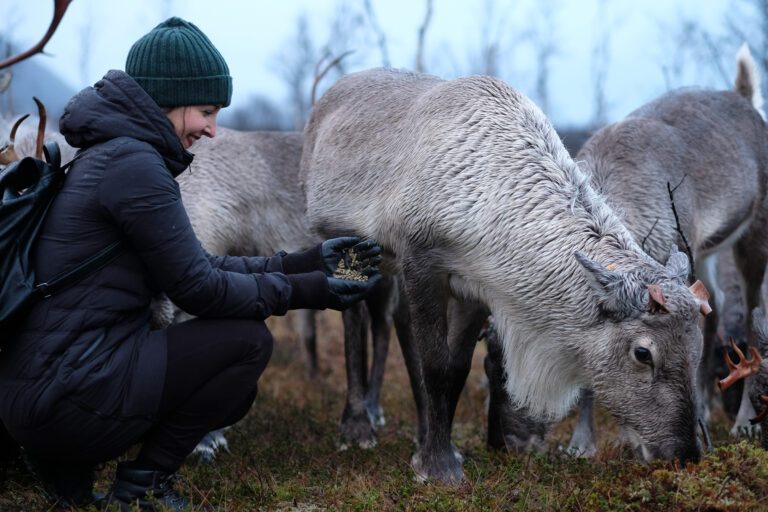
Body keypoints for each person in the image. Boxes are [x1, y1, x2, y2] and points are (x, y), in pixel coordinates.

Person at [0, 17, 381, 511]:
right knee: (245, 344)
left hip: (40, 391)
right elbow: (198, 289)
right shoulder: (135, 167)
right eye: (205, 111)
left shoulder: (110, 155)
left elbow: (195, 264)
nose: (212, 129)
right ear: (168, 100)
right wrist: (314, 291)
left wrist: (304, 263)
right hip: (66, 397)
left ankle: (65, 467)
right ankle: (143, 483)